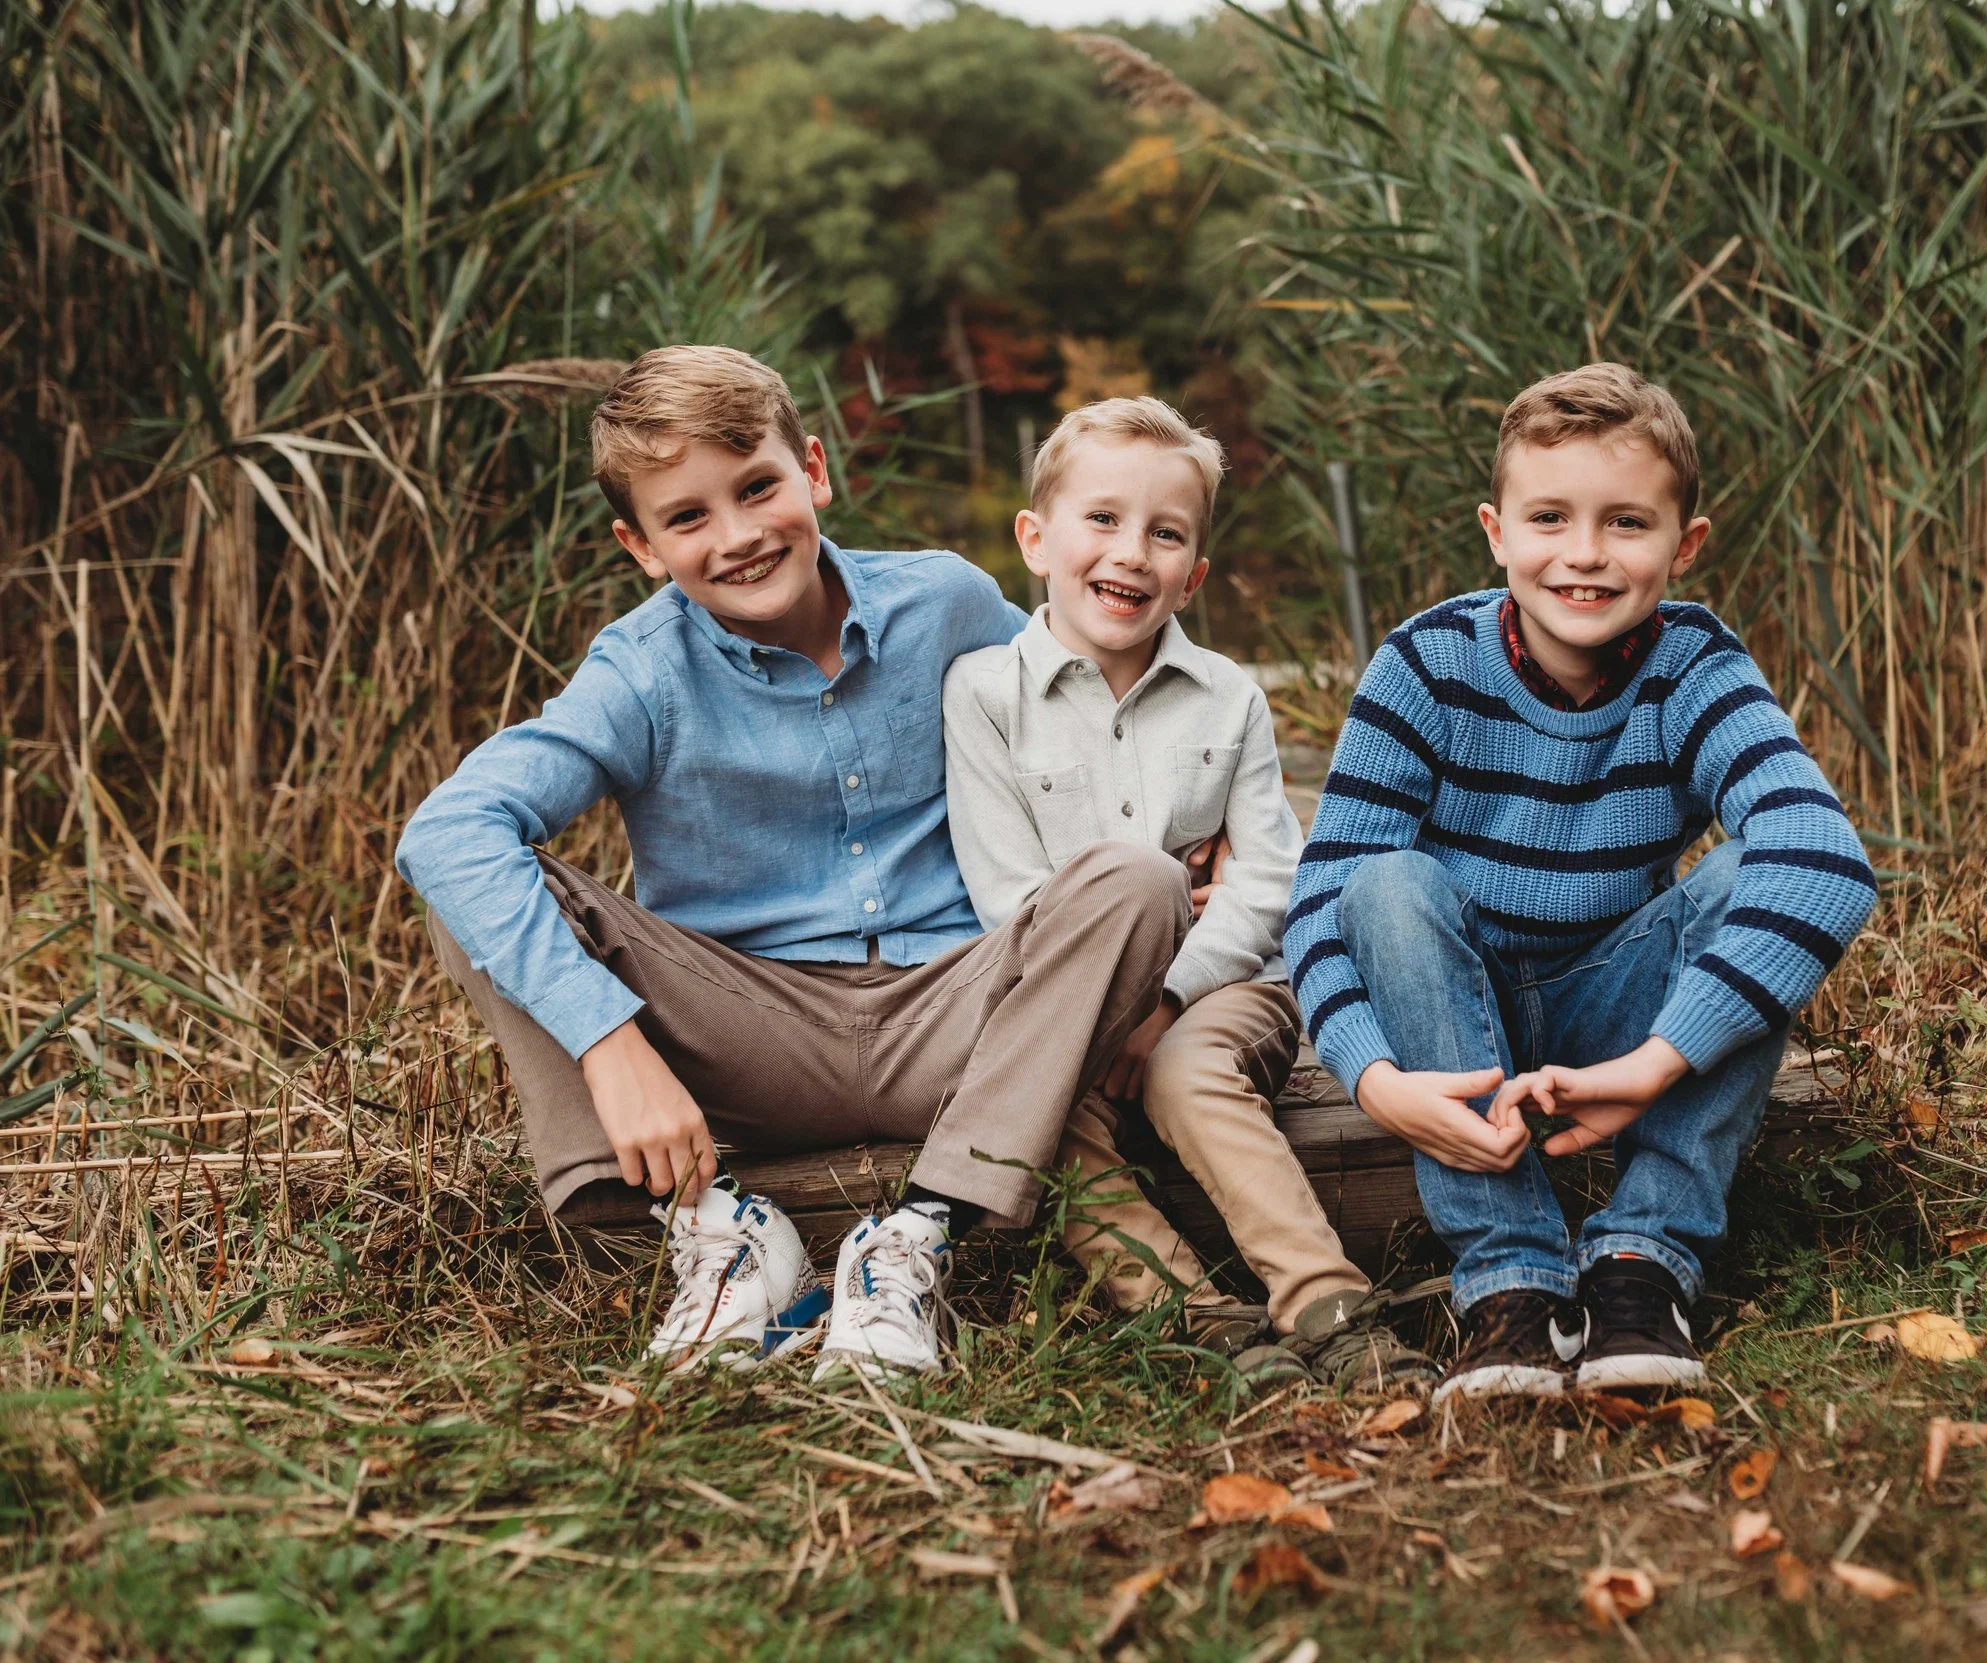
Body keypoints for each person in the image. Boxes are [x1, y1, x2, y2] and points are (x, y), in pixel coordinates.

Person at [396, 346, 1187, 1378]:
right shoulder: (640, 671)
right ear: (640, 546)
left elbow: (1093, 698)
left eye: (757, 487)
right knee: (476, 883)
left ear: (811, 470)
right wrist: (609, 1044)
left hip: (960, 1014)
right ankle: (720, 1233)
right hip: (742, 1039)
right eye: (687, 518)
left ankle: (915, 1237)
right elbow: (444, 832)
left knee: (1137, 879)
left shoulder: (942, 603)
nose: (737, 535)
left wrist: (1188, 855)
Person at [1284, 362, 1877, 1401]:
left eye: (1626, 524)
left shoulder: (1694, 667)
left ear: (1683, 544)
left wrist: (1652, 1065)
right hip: (1455, 1023)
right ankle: (1509, 1282)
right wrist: (1377, 1084)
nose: (1585, 555)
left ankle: (1642, 1260)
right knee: (1383, 885)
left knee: (1757, 876)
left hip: (1618, 1013)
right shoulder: (1424, 666)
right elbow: (1321, 903)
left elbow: (1825, 860)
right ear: (1496, 530)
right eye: (1549, 517)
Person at [942, 397, 1436, 1393]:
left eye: (1164, 534)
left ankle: (1324, 1300)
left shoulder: (1229, 695)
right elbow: (1010, 892)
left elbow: (1267, 876)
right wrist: (1112, 1005)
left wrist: (1167, 1000)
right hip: (1064, 999)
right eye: (1103, 520)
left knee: (1179, 1070)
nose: (1131, 553)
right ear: (1036, 539)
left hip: (1223, 990)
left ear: (1194, 573)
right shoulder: (983, 694)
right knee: (1031, 1108)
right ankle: (1194, 1314)